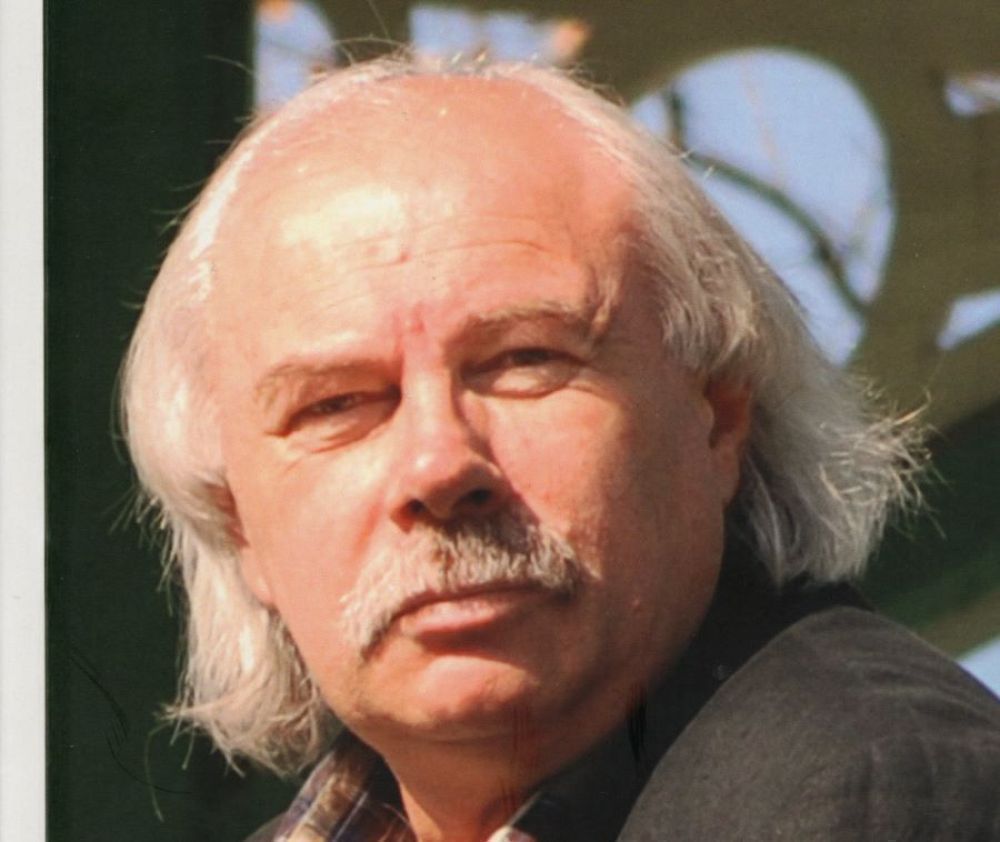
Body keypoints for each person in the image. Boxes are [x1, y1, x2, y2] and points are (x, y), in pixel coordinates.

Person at [121, 56, 1000, 841]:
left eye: (524, 361)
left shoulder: (874, 800)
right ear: (237, 523)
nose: (437, 465)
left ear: (719, 417)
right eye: (337, 405)